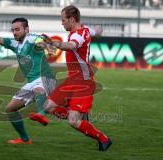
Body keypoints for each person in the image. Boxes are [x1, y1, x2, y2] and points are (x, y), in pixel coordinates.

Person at [32, 5, 112, 151]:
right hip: (72, 80)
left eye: (63, 20)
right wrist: (99, 30)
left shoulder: (78, 35)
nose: (62, 23)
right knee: (48, 107)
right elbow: (96, 31)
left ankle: (103, 138)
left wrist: (53, 43)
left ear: (72, 19)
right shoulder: (85, 30)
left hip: (84, 83)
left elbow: (70, 45)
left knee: (73, 122)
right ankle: (78, 116)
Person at [0, 18, 56, 144]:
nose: (14, 33)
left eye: (17, 29)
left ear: (26, 29)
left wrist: (48, 48)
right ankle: (25, 139)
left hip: (46, 78)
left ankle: (41, 114)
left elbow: (39, 41)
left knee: (39, 90)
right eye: (13, 30)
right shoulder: (14, 43)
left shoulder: (31, 37)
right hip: (32, 82)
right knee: (10, 109)